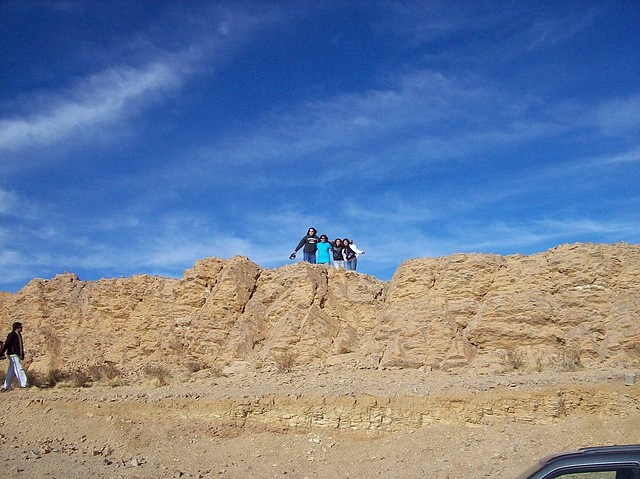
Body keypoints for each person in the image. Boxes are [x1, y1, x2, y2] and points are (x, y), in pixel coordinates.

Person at [1, 322, 28, 391]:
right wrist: (1, 353)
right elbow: (6, 344)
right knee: (19, 369)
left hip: (16, 354)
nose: (22, 329)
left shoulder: (18, 335)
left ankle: (6, 387)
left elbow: (20, 346)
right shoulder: (12, 335)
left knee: (11, 371)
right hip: (13, 354)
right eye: (20, 327)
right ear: (17, 328)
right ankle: (24, 384)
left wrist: (21, 355)